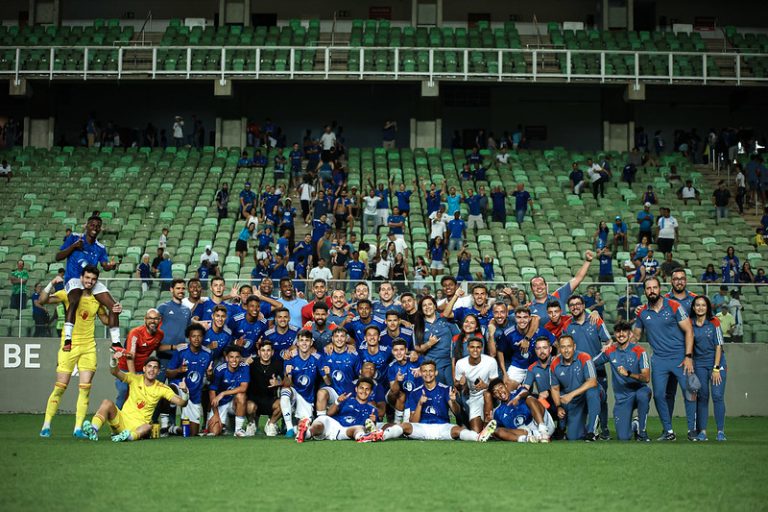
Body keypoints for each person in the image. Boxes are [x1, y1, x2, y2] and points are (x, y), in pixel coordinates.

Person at [37, 269, 122, 438]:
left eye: (93, 279)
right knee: (60, 386)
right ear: (81, 278)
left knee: (85, 389)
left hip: (89, 347)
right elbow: (42, 300)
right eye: (87, 278)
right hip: (69, 346)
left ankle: (77, 429)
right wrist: (52, 283)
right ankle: (46, 425)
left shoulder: (97, 299)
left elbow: (105, 320)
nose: (90, 281)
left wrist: (116, 310)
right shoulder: (68, 293)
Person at [358, 360, 496, 443]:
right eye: (425, 371)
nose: (428, 374)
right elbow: (414, 422)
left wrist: (454, 402)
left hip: (442, 427)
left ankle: (478, 437)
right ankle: (380, 435)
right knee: (405, 426)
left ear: (435, 373)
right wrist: (419, 404)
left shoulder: (445, 389)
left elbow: (458, 413)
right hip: (422, 428)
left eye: (431, 371)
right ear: (421, 373)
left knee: (458, 430)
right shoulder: (415, 392)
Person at [632, 277, 697, 441]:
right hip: (659, 360)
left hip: (680, 358)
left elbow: (689, 330)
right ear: (645, 291)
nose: (652, 290)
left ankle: (692, 431)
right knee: (659, 395)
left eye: (654, 287)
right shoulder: (641, 312)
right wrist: (618, 340)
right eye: (648, 288)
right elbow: (636, 336)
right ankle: (668, 431)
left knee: (690, 393)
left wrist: (688, 356)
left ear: (660, 289)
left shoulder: (675, 306)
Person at [55, 215, 121, 353]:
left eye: (98, 226)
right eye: (92, 225)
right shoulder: (74, 238)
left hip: (91, 279)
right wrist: (73, 247)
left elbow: (105, 266)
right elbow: (58, 256)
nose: (95, 228)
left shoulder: (100, 248)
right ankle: (68, 339)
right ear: (86, 225)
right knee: (74, 301)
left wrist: (111, 266)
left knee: (114, 306)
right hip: (74, 278)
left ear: (100, 229)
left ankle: (116, 343)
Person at [82, 357, 186, 443]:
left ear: (158, 371)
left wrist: (185, 392)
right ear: (144, 369)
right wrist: (113, 360)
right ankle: (93, 430)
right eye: (149, 366)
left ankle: (128, 437)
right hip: (121, 421)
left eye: (155, 368)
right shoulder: (135, 379)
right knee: (107, 403)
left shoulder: (162, 388)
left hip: (138, 428)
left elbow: (181, 402)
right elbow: (115, 371)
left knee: (148, 426)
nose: (152, 370)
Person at [593, 321, 652, 441]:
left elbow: (646, 378)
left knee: (643, 394)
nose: (621, 334)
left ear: (630, 334)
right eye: (618, 332)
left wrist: (629, 374)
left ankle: (642, 432)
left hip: (638, 391)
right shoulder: (611, 350)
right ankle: (635, 425)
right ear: (614, 334)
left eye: (624, 331)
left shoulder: (640, 351)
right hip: (622, 398)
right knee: (623, 437)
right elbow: (590, 363)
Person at [564, 294, 612, 439]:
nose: (575, 307)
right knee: (581, 401)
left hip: (597, 371)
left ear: (584, 306)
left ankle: (603, 428)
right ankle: (584, 427)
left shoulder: (595, 320)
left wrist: (594, 361)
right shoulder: (567, 325)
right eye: (571, 305)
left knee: (600, 399)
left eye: (578, 304)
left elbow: (609, 343)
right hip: (577, 373)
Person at [548, 335, 601, 441]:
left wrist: (571, 395)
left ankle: (592, 431)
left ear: (574, 347)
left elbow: (593, 381)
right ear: (559, 348)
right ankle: (585, 428)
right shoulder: (554, 364)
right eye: (563, 347)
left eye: (569, 346)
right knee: (573, 437)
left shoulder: (584, 357)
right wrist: (559, 406)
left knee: (592, 391)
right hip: (576, 401)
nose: (566, 350)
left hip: (592, 394)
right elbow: (554, 389)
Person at [690, 296, 727, 441]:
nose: (700, 308)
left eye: (703, 305)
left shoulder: (714, 323)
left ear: (707, 308)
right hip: (700, 365)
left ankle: (720, 431)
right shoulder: (690, 324)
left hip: (717, 364)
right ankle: (703, 432)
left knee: (717, 396)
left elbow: (719, 346)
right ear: (693, 308)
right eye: (697, 305)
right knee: (703, 397)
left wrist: (716, 368)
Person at [166, 324, 214, 437]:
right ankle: (164, 425)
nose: (196, 339)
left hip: (195, 394)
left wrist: (210, 374)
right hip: (181, 389)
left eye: (199, 336)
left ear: (203, 337)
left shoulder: (208, 353)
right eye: (193, 336)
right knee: (170, 389)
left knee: (190, 433)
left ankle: (173, 429)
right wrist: (179, 370)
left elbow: (210, 379)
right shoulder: (181, 351)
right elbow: (168, 373)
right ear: (189, 337)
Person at [297, 377, 379, 443]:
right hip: (333, 424)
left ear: (371, 392)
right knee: (320, 422)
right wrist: (337, 402)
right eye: (361, 388)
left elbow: (370, 426)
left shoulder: (372, 409)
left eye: (367, 389)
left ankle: (362, 437)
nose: (364, 391)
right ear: (356, 389)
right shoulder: (346, 400)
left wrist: (373, 421)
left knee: (359, 428)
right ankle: (305, 433)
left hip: (346, 430)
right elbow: (329, 414)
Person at [114, 309, 167, 408]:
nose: (153, 321)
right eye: (150, 318)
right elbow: (130, 357)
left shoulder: (160, 334)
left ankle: (139, 421)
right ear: (145, 319)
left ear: (159, 320)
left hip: (142, 369)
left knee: (142, 396)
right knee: (124, 392)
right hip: (125, 368)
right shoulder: (135, 333)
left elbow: (157, 346)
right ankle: (116, 421)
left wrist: (174, 347)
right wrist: (133, 379)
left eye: (155, 318)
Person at [528, 250, 594, 323]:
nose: (539, 287)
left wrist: (588, 261)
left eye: (541, 284)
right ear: (531, 289)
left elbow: (577, 279)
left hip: (563, 334)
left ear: (546, 286)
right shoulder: (528, 308)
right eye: (535, 285)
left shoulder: (558, 296)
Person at [486, 378, 556, 442]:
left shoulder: (518, 392)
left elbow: (526, 392)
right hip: (526, 432)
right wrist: (489, 422)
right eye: (496, 392)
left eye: (501, 387)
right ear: (494, 396)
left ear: (506, 386)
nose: (500, 392)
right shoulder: (498, 412)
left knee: (530, 399)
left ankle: (544, 432)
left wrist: (518, 398)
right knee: (498, 431)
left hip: (542, 424)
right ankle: (526, 440)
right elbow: (496, 433)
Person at [280, 330, 321, 438]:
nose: (304, 343)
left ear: (311, 343)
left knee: (305, 424)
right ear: (297, 343)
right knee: (284, 392)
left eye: (307, 340)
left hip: (307, 398)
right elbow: (286, 384)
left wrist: (326, 374)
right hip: (294, 393)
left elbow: (327, 382)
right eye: (301, 340)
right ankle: (289, 428)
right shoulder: (290, 359)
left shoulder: (317, 359)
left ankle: (295, 428)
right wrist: (288, 374)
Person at [413, 296, 459, 387]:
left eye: (430, 304)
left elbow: (458, 337)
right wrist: (429, 344)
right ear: (421, 309)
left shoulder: (445, 318)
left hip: (450, 361)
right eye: (424, 305)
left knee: (452, 390)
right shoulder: (418, 325)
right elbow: (417, 348)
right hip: (433, 364)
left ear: (435, 306)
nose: (427, 307)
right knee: (439, 391)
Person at [454, 337, 498, 433]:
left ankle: (487, 425)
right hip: (473, 398)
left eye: (478, 347)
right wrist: (462, 384)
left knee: (487, 394)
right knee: (475, 432)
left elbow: (497, 385)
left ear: (482, 348)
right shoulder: (461, 363)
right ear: (467, 348)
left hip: (489, 396)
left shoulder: (490, 362)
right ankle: (483, 430)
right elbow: (456, 385)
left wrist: (486, 386)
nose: (475, 350)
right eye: (472, 347)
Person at [207, 345, 250, 437]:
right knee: (214, 432)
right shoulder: (219, 370)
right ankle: (224, 426)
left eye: (237, 357)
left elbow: (243, 388)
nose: (234, 360)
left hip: (233, 402)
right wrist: (216, 415)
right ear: (227, 358)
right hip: (220, 404)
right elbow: (212, 392)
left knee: (241, 396)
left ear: (240, 358)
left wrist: (223, 393)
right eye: (231, 357)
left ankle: (238, 430)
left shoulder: (245, 367)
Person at [315, 328, 359, 418]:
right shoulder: (325, 355)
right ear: (332, 339)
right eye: (336, 336)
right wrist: (327, 374)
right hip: (333, 391)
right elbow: (328, 382)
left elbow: (360, 377)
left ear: (346, 338)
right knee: (321, 393)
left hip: (348, 393)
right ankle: (321, 420)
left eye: (342, 336)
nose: (339, 339)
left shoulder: (354, 355)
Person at [246, 341, 284, 437]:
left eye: (268, 350)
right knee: (248, 406)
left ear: (272, 352)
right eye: (263, 350)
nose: (265, 353)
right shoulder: (251, 364)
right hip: (254, 400)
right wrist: (245, 365)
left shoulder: (278, 364)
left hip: (270, 400)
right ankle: (252, 424)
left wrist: (278, 383)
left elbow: (289, 383)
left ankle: (271, 424)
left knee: (283, 403)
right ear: (258, 352)